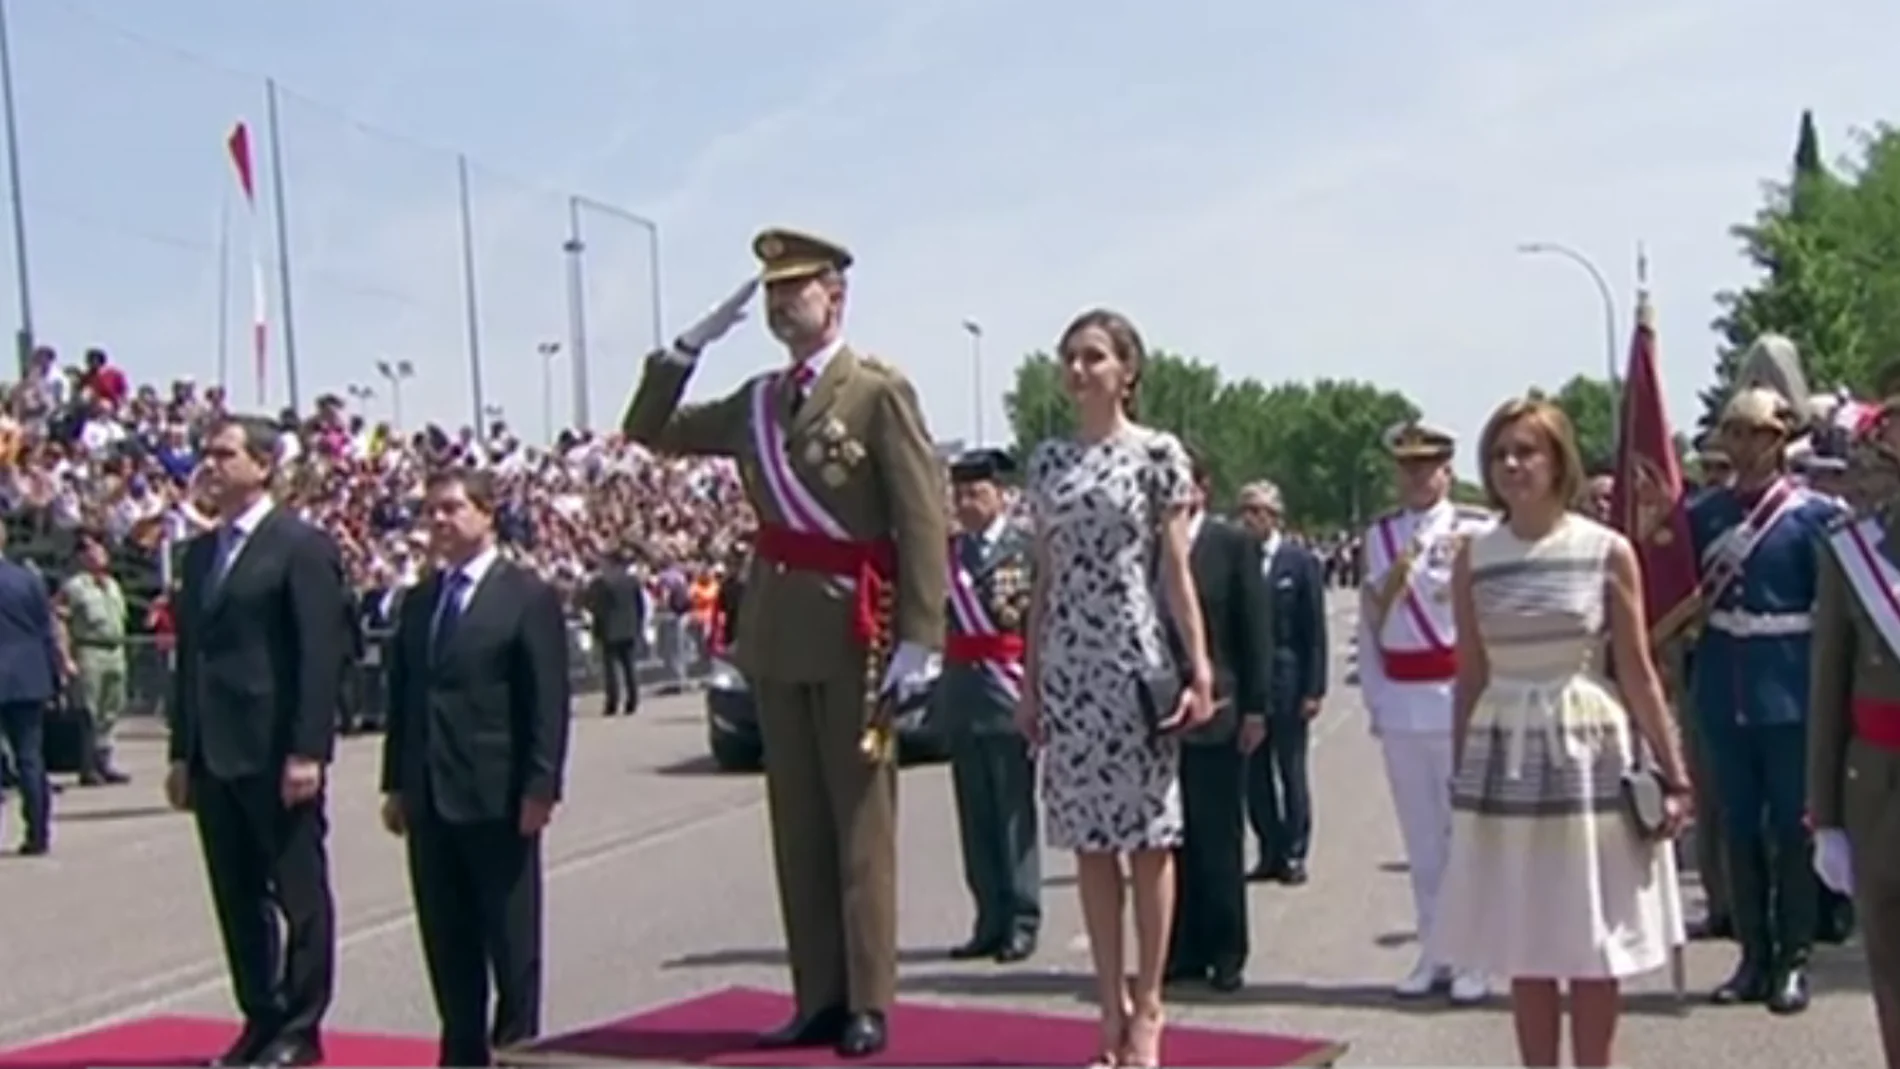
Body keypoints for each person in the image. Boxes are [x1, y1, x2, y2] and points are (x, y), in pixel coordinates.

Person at [620, 228, 947, 1058]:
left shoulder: (877, 391)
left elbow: (919, 517)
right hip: (777, 631)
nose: (778, 304)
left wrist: (921, 637)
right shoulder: (756, 401)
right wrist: (688, 345)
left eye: (793, 290)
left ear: (835, 296)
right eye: (768, 292)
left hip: (856, 633)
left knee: (861, 827)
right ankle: (817, 996)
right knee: (797, 825)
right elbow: (648, 429)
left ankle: (869, 999)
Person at [1430, 396, 1691, 1068]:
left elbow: (1637, 672)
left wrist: (1674, 771)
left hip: (1588, 749)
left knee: (1590, 935)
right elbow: (1469, 676)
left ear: (1558, 461)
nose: (1513, 464)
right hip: (1505, 750)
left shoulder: (1606, 550)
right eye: (1501, 453)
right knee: (1528, 938)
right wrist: (1463, 779)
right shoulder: (1474, 556)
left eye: (1527, 450)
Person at [1019, 307, 1215, 1068]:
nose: (1077, 370)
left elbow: (1174, 567)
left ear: (1127, 369)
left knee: (1146, 840)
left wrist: (1198, 665)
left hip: (1135, 661)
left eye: (1093, 357)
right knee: (1089, 842)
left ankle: (1151, 1003)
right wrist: (1031, 680)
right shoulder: (1048, 463)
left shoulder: (1155, 455)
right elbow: (1044, 577)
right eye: (1069, 357)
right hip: (1070, 666)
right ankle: (1108, 1004)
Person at [166, 414, 351, 1067]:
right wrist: (181, 751)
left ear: (264, 465)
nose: (209, 464)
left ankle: (302, 1027)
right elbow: (190, 658)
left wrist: (309, 749)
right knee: (237, 895)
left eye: (224, 452)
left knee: (299, 894)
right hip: (216, 754)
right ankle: (260, 1014)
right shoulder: (200, 553)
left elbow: (319, 654)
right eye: (205, 452)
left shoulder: (299, 546)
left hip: (276, 753)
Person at [380, 469, 572, 1067]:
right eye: (431, 511)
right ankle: (460, 1051)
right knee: (447, 939)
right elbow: (405, 697)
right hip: (431, 794)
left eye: (453, 509)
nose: (439, 521)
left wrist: (541, 785)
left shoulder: (525, 594)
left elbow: (547, 700)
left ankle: (517, 1051)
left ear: (487, 515)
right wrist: (395, 782)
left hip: (499, 794)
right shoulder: (421, 601)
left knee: (511, 942)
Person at [1688, 385, 1842, 1013]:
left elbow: (1829, 612)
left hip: (1791, 687)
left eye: (1755, 433)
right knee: (1738, 826)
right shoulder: (1703, 515)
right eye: (1734, 432)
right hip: (1726, 686)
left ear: (1780, 441)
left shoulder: (1813, 517)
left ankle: (1794, 961)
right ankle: (1752, 956)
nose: (1743, 445)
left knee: (1792, 828)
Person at [1357, 418, 1494, 1003]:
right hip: (1404, 701)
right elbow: (1369, 627)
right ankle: (1434, 950)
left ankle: (1475, 956)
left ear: (1447, 470)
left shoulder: (1476, 530)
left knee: (1466, 834)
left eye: (1426, 466)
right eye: (1406, 467)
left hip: (1459, 697)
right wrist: (1376, 696)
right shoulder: (1379, 538)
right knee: (1422, 842)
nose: (1415, 477)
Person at [1809, 386, 1900, 1067]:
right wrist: (1828, 818)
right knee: (1893, 967)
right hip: (1880, 784)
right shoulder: (1852, 554)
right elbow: (1828, 689)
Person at [1163, 456, 1270, 993]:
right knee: (1170, 837)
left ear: (1204, 487)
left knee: (1216, 835)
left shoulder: (1232, 545)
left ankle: (1227, 949)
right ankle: (1183, 947)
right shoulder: (1152, 544)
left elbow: (1254, 632)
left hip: (1220, 709)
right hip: (1162, 712)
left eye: (1185, 482)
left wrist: (1256, 708)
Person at [939, 447, 1041, 964]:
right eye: (959, 495)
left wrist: (1038, 695)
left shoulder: (1026, 551)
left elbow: (1037, 628)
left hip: (1009, 694)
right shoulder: (948, 555)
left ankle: (1022, 917)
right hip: (962, 697)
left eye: (976, 493)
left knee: (1013, 815)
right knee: (975, 817)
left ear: (1001, 495)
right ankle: (989, 917)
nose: (966, 503)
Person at [1235, 479, 1328, 885]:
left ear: (1275, 516)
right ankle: (1269, 849)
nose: (1250, 519)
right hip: (1249, 687)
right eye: (1245, 511)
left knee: (1290, 771)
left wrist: (1314, 688)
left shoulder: (1298, 562)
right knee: (1254, 776)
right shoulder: (1237, 558)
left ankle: (1294, 851)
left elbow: (1314, 631)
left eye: (1257, 511)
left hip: (1289, 680)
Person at [0, 521, 65, 855]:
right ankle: (38, 832)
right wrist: (55, 676)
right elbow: (47, 631)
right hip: (28, 676)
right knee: (30, 758)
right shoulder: (28, 580)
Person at [60, 525, 130, 786]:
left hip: (115, 650)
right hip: (89, 650)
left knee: (111, 708)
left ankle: (105, 761)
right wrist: (66, 657)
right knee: (89, 711)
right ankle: (87, 766)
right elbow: (60, 621)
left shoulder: (112, 585)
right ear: (81, 556)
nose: (99, 554)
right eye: (92, 549)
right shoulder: (74, 587)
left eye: (101, 549)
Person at [582, 550, 646, 716]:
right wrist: (638, 624)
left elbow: (591, 604)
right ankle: (633, 700)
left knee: (611, 670)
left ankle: (613, 702)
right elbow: (640, 606)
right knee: (629, 666)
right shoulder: (632, 581)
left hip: (608, 629)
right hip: (629, 628)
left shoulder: (601, 582)